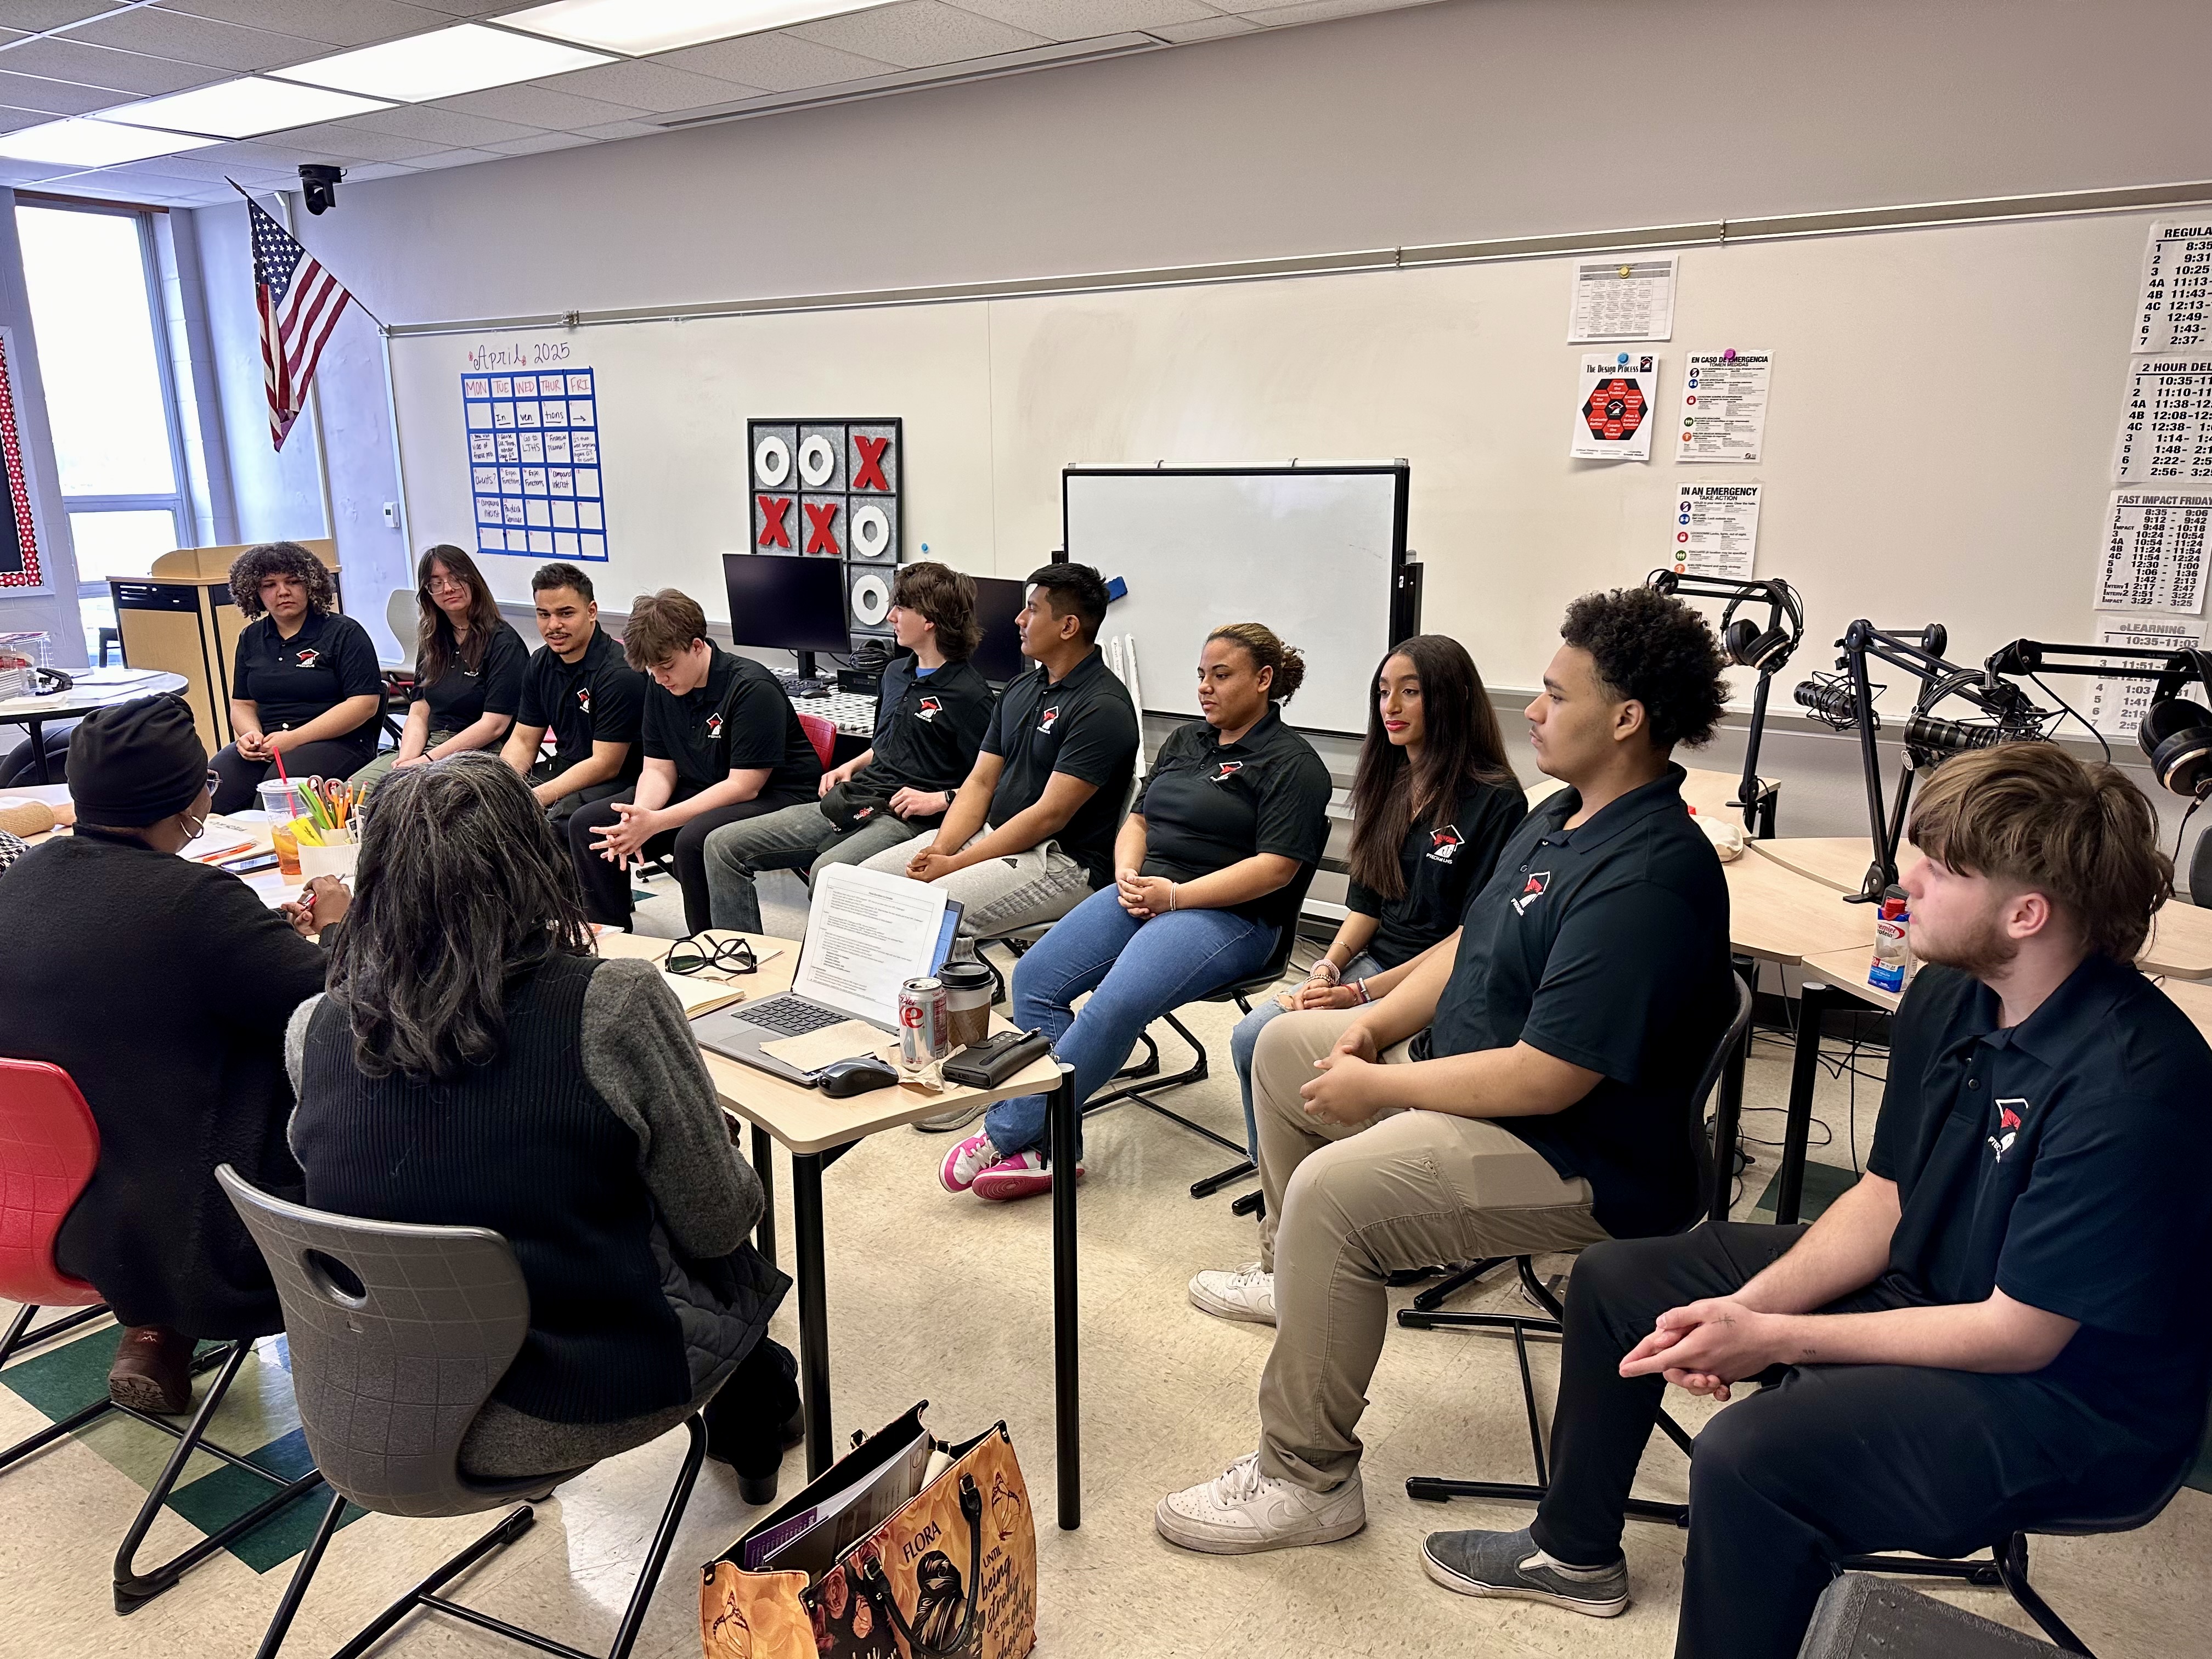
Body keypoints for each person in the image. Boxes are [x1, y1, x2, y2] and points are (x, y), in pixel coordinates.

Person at [1421, 743, 2212, 1659]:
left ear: (2026, 912)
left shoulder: (2132, 1084)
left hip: (2067, 1396)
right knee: (1619, 1279)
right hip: (1935, 1286)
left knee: (1752, 1457)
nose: (1902, 878)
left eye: (1939, 867)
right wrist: (1734, 1311)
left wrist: (1776, 1336)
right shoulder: (1951, 993)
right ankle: (1572, 1554)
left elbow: (2017, 1332)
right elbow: (1883, 1201)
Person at [1155, 585, 1735, 1557]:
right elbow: (1473, 939)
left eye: (1555, 694)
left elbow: (1545, 1080)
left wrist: (1380, 1084)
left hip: (1578, 1156)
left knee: (1337, 1191)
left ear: (1626, 718)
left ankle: (1306, 1476)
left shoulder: (1647, 872)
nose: (1535, 711)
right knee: (1286, 1042)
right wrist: (1368, 1019)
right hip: (1490, 1089)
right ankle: (1290, 1273)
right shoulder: (1563, 813)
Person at [286, 755, 800, 1496]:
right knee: (684, 1214)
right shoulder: (613, 1002)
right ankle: (758, 1418)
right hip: (577, 1398)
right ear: (536, 862)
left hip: (380, 1401)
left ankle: (761, 1402)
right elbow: (719, 1223)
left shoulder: (315, 1027)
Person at [0, 696, 345, 1414]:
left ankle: (155, 1328)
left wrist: (254, 939)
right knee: (305, 1051)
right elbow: (337, 1005)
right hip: (200, 1232)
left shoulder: (19, 884)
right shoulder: (192, 903)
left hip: (33, 1211)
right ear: (186, 799)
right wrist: (338, 926)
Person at [938, 623, 1332, 1203]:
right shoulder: (1186, 742)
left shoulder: (1292, 764)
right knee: (1037, 978)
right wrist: (1128, 873)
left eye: (1221, 675)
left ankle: (1012, 1129)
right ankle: (1057, 1148)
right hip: (1147, 894)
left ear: (1264, 680)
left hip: (1231, 917)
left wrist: (1173, 897)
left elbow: (1275, 869)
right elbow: (1139, 821)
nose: (1205, 687)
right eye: (1202, 674)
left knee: (1113, 1005)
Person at [1226, 635, 1524, 1158]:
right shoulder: (1389, 781)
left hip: (1440, 983)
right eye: (1384, 692)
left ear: (1451, 700)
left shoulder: (1495, 798)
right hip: (1371, 967)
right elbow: (1366, 906)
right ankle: (1278, 1164)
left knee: (1284, 1044)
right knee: (1250, 1037)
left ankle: (1330, 1167)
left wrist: (1360, 995)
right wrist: (1327, 970)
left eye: (1410, 692)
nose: (1391, 707)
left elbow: (1468, 937)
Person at [703, 562, 994, 933]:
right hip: (860, 796)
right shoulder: (894, 673)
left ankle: (832, 978)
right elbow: (889, 744)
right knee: (721, 846)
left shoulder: (971, 696)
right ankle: (742, 956)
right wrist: (851, 765)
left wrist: (940, 799)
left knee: (828, 873)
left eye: (901, 608)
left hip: (907, 820)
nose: (891, 616)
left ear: (930, 620)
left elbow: (992, 782)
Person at [859, 562, 1138, 938]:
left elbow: (1048, 816)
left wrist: (956, 863)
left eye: (1034, 609)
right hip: (992, 834)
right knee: (857, 888)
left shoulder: (1102, 706)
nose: (1019, 619)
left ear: (1068, 627)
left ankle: (934, 998)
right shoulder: (1021, 689)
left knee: (926, 915)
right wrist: (941, 849)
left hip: (1059, 859)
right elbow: (980, 783)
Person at [566, 589, 823, 933]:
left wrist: (657, 822)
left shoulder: (751, 687)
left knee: (694, 839)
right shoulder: (660, 685)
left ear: (698, 646)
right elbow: (658, 768)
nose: (659, 677)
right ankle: (611, 935)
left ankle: (710, 946)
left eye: (667, 666)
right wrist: (640, 817)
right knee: (588, 824)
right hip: (702, 785)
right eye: (652, 670)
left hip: (775, 795)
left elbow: (743, 786)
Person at [211, 541, 385, 813]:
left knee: (272, 803)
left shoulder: (344, 633)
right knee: (209, 792)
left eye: (293, 581)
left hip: (335, 742)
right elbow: (243, 705)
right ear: (255, 592)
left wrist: (293, 739)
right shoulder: (251, 638)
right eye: (269, 585)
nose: (283, 592)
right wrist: (251, 736)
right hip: (269, 744)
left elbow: (364, 704)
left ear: (311, 585)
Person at [350, 545, 528, 791]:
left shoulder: (504, 642)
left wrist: (426, 762)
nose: (448, 588)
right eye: (436, 583)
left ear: (473, 581)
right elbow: (420, 709)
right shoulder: (434, 639)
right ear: (428, 593)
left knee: (414, 801)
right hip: (429, 745)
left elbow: (494, 725)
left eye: (456, 578)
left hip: (478, 753)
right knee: (349, 793)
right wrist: (407, 761)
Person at [498, 562, 646, 826]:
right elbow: (522, 740)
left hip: (620, 780)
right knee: (482, 810)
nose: (554, 625)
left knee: (548, 822)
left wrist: (533, 798)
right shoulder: (540, 663)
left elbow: (605, 764)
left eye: (565, 613)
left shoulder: (620, 674)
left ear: (591, 612)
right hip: (566, 768)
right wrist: (500, 786)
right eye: (544, 615)